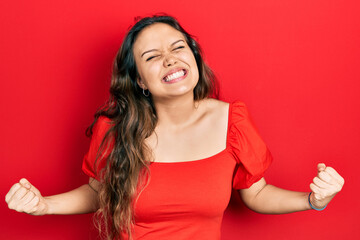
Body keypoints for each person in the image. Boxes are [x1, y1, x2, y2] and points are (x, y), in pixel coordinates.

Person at [5, 15, 344, 240]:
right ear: (139, 79)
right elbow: (98, 192)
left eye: (178, 47)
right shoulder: (113, 130)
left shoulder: (231, 120)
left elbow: (255, 193)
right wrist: (43, 205)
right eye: (152, 56)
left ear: (193, 58)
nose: (170, 59)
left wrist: (313, 200)